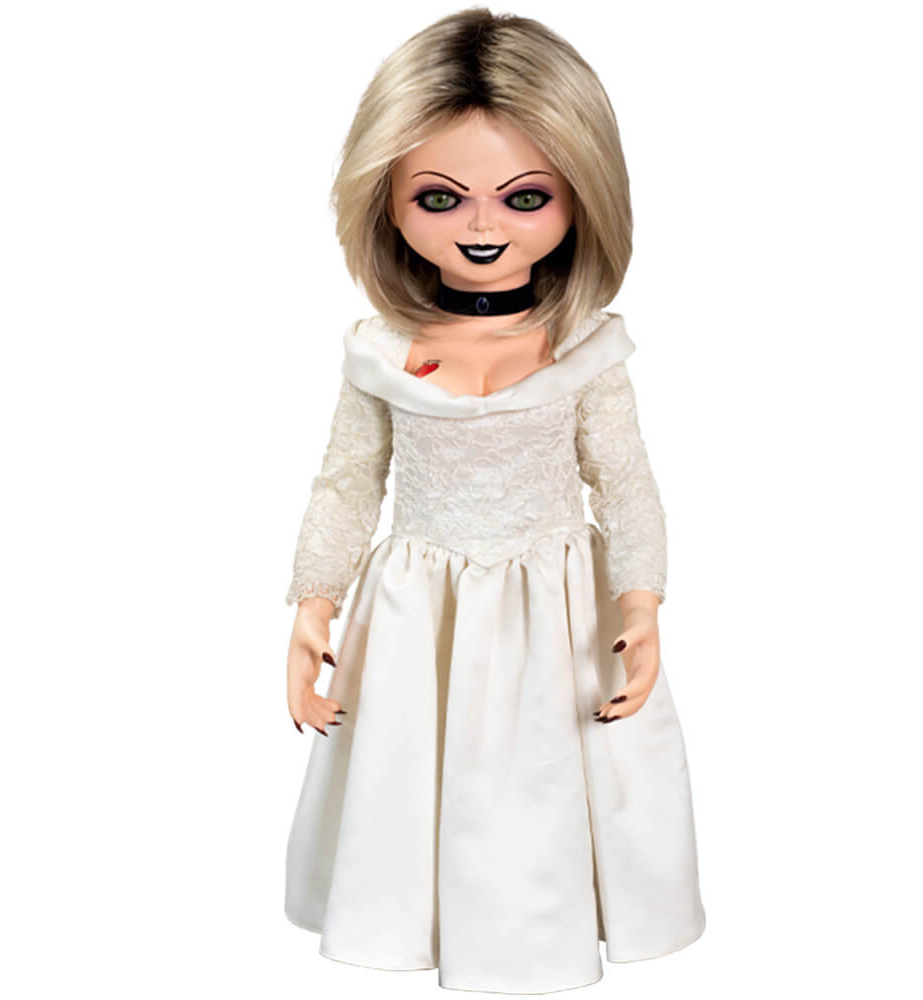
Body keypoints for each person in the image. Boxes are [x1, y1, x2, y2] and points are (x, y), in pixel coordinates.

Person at [283, 8, 706, 993]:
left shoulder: (587, 350)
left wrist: (641, 600)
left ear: (580, 198)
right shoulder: (380, 354)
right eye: (440, 197)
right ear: (385, 200)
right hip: (416, 615)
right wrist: (312, 607)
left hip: (556, 609)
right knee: (412, 780)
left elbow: (625, 480)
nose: (481, 228)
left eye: (524, 198)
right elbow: (346, 483)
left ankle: (537, 942)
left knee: (546, 784)